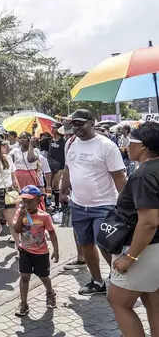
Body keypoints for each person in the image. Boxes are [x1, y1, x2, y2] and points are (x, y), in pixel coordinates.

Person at [60, 109, 127, 296]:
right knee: (86, 244)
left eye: (81, 123)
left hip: (104, 204)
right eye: (74, 123)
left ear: (92, 122)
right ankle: (97, 282)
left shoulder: (106, 146)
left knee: (104, 243)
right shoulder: (71, 143)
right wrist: (63, 190)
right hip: (78, 205)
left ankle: (120, 280)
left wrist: (129, 203)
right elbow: (68, 169)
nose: (77, 127)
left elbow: (119, 178)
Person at [107, 122, 159, 336]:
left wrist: (130, 256)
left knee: (119, 302)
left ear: (144, 146)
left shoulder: (144, 174)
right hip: (154, 248)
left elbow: (149, 221)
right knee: (153, 300)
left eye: (131, 141)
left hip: (146, 247)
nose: (127, 146)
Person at [13, 185, 59, 317]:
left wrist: (56, 249)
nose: (26, 204)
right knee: (24, 276)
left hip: (41, 253)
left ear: (39, 200)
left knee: (44, 277)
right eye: (24, 201)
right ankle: (23, 303)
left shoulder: (44, 216)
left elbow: (52, 232)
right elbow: (16, 230)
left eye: (30, 201)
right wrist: (21, 216)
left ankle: (50, 293)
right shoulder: (19, 212)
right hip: (25, 250)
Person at [46, 123, 66, 209]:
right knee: (50, 185)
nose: (52, 129)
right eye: (52, 128)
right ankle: (49, 203)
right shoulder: (49, 140)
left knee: (56, 184)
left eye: (54, 128)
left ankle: (57, 204)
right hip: (50, 165)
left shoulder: (63, 141)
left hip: (61, 166)